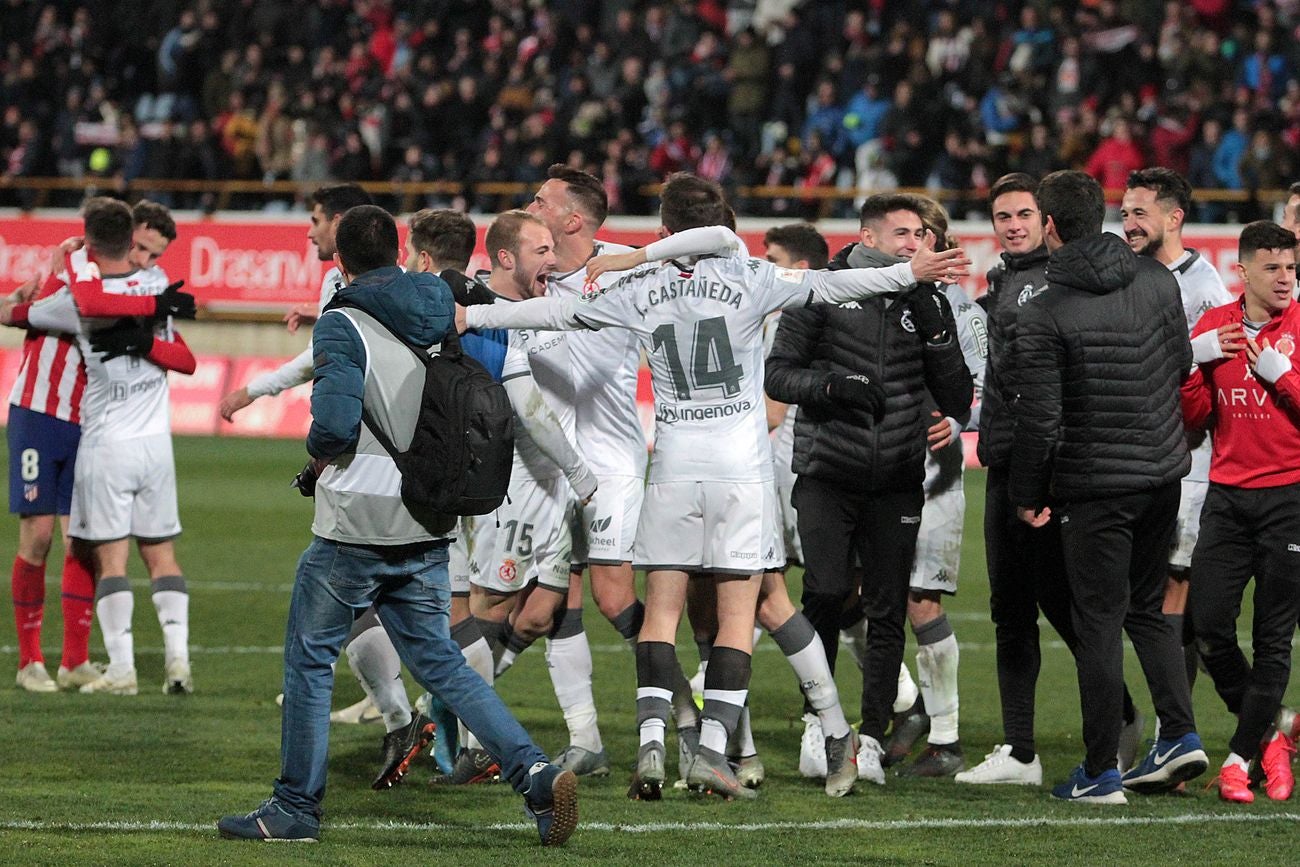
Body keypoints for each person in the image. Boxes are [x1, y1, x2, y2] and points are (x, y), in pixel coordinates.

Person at [460, 172, 971, 800]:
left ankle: (652, 745)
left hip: (673, 467)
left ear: (665, 229)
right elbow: (834, 283)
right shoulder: (751, 277)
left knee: (662, 612)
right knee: (741, 614)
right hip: (740, 472)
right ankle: (718, 750)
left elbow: (555, 310)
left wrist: (473, 312)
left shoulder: (634, 287)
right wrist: (905, 274)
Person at [217, 205, 578, 846]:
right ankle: (536, 773)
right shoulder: (442, 305)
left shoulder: (341, 321)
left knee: (308, 659)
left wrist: (315, 459)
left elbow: (331, 424)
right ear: (400, 249)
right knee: (443, 664)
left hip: (356, 518)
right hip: (428, 513)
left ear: (340, 263)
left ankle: (295, 808)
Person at [1010, 170, 1207, 804]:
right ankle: (1180, 733)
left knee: (1098, 621)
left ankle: (1100, 771)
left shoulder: (1044, 311)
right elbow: (1181, 367)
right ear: (1100, 217)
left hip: (1095, 486)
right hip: (1162, 474)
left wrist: (1026, 493)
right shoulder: (1156, 281)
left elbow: (1040, 420)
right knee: (1148, 609)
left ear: (1049, 227)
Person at [765, 194, 973, 785]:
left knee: (886, 611)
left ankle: (873, 737)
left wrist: (938, 335)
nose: (915, 244)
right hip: (828, 472)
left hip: (898, 481)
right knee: (827, 592)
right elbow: (777, 373)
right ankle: (820, 722)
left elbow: (957, 399)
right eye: (902, 233)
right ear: (868, 237)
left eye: (920, 235)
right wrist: (833, 387)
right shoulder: (822, 291)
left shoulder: (928, 302)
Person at [958, 173, 1142, 785]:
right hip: (1007, 459)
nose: (1012, 225)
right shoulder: (1003, 281)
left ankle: (1117, 717)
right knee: (1012, 607)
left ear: (1047, 221)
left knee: (1066, 604)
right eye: (1002, 215)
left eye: (1023, 214)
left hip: (1046, 470)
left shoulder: (1051, 283)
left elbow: (1042, 386)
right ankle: (1020, 751)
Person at [525, 165, 697, 778]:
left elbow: (707, 252)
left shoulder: (627, 269)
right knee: (554, 603)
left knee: (612, 594)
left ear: (573, 220)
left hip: (611, 462)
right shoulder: (527, 272)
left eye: (541, 201)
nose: (530, 206)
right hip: (548, 466)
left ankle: (686, 715)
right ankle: (586, 738)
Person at [16, 197, 197, 697]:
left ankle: (106, 666)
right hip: (65, 417)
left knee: (102, 553)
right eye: (140, 247)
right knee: (51, 540)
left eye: (154, 255)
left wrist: (141, 339)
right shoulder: (130, 284)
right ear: (126, 235)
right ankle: (36, 660)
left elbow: (37, 312)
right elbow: (24, 311)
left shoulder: (95, 286)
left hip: (104, 441)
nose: (144, 261)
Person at [460, 209, 604, 777]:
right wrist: (576, 470)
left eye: (552, 247)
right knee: (489, 607)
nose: (552, 259)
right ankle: (471, 741)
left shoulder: (543, 304)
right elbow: (527, 409)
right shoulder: (484, 318)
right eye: (540, 250)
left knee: (554, 611)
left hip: (556, 487)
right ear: (504, 258)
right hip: (515, 486)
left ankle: (587, 739)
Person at [1181, 220, 1300, 804]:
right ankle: (1271, 735)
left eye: (1291, 268)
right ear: (1243, 270)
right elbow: (1195, 419)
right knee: (1208, 629)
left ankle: (1237, 758)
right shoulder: (1214, 327)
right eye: (1273, 268)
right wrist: (1189, 364)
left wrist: (1285, 378)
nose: (1285, 279)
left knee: (1274, 640)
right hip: (1227, 498)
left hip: (1291, 498)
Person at [1120, 167, 1233, 727]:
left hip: (1188, 461)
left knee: (1173, 589)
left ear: (1174, 217)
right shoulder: (1128, 276)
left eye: (1141, 213)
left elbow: (1208, 386)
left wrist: (1196, 349)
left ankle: (1173, 730)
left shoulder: (1204, 287)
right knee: (1154, 597)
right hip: (1135, 456)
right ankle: (1261, 711)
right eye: (1124, 213)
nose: (1130, 223)